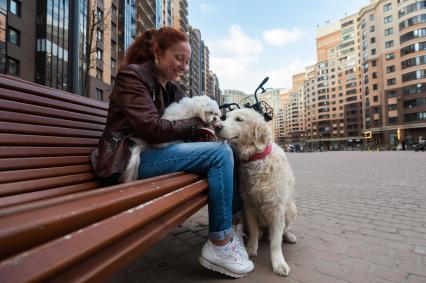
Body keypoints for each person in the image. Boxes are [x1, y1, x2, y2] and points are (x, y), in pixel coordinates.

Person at [90, 27, 254, 278]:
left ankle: (232, 232)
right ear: (157, 51)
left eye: (187, 62)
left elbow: (183, 121)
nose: (184, 67)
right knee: (220, 155)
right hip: (129, 159)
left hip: (154, 152)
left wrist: (206, 126)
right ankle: (220, 246)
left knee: (226, 149)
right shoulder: (132, 78)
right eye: (179, 59)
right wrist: (197, 125)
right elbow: (154, 130)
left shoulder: (169, 88)